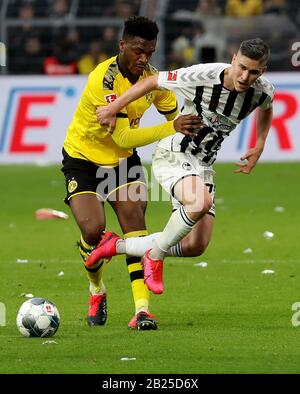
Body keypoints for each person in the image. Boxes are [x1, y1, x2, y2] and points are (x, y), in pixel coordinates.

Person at [87, 38, 274, 296]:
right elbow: (152, 81)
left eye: (253, 72)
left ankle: (116, 245)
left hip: (204, 165)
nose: (245, 76)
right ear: (233, 58)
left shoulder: (263, 90)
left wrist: (260, 143)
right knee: (199, 204)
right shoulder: (203, 75)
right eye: (241, 67)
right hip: (175, 152)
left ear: (262, 72)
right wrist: (113, 108)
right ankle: (155, 255)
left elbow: (266, 108)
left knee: (195, 245)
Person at [61, 16, 201, 330]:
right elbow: (123, 136)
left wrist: (188, 133)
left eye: (149, 52)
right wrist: (172, 127)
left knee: (135, 225)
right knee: (93, 231)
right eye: (138, 51)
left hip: (124, 163)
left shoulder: (152, 80)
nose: (143, 58)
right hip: (83, 159)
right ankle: (96, 290)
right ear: (122, 45)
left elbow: (175, 115)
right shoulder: (105, 80)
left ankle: (141, 311)